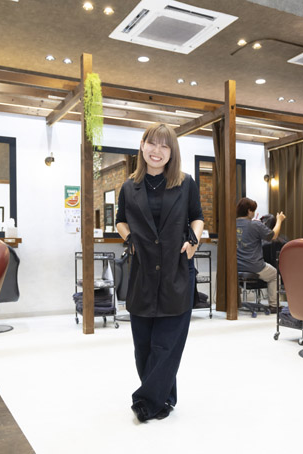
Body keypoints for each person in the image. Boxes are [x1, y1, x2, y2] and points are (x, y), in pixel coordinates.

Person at [116, 123, 204, 423]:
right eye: (152, 143)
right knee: (143, 345)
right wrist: (129, 238)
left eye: (164, 146)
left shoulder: (186, 183)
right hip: (142, 272)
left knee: (166, 344)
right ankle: (164, 398)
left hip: (176, 271)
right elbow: (120, 220)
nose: (157, 151)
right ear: (142, 145)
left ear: (172, 152)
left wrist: (194, 241)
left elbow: (197, 217)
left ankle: (146, 402)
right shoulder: (129, 187)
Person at [235, 198, 285, 312]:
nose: (253, 213)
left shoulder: (232, 224)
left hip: (236, 266)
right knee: (274, 275)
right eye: (253, 210)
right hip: (253, 266)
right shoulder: (255, 225)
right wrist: (279, 220)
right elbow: (273, 236)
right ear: (249, 211)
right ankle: (274, 305)